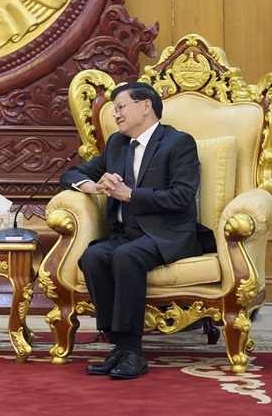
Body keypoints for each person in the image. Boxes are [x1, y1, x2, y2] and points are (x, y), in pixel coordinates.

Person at [59, 81, 214, 380]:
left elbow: (182, 197)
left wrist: (129, 194)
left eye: (121, 107)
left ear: (145, 106)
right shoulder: (117, 145)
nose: (115, 115)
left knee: (126, 257)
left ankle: (134, 352)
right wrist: (92, 186)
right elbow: (71, 174)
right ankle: (117, 345)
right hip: (125, 233)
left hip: (168, 233)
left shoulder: (178, 142)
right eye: (114, 109)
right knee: (92, 257)